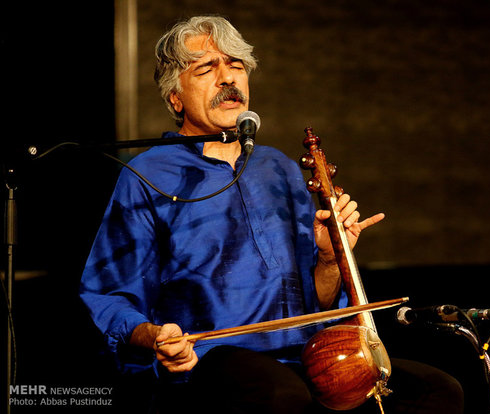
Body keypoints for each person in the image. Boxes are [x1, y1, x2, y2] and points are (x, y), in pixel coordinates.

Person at [80, 15, 463, 414]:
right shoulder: (148, 174)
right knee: (279, 396)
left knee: (437, 390)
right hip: (212, 359)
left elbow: (318, 296)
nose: (227, 78)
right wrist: (156, 336)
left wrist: (331, 256)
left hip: (304, 355)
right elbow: (110, 294)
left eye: (236, 66)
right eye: (207, 67)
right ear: (175, 97)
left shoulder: (278, 168)